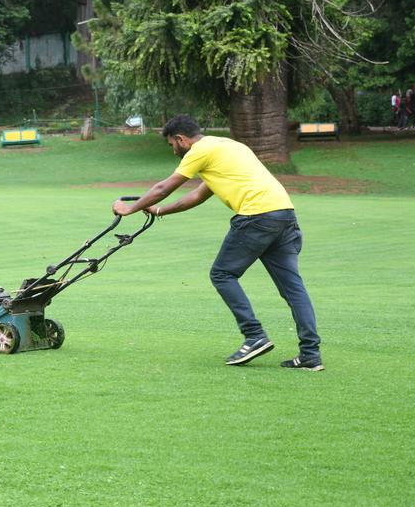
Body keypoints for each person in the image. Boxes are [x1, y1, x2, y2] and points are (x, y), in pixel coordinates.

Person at [112, 114, 323, 370]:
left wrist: (130, 209)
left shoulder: (200, 150)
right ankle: (310, 355)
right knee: (293, 289)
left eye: (172, 145)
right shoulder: (228, 147)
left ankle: (254, 335)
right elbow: (198, 194)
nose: (173, 151)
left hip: (256, 216)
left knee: (222, 274)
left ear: (181, 139)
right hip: (284, 215)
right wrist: (159, 211)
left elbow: (163, 187)